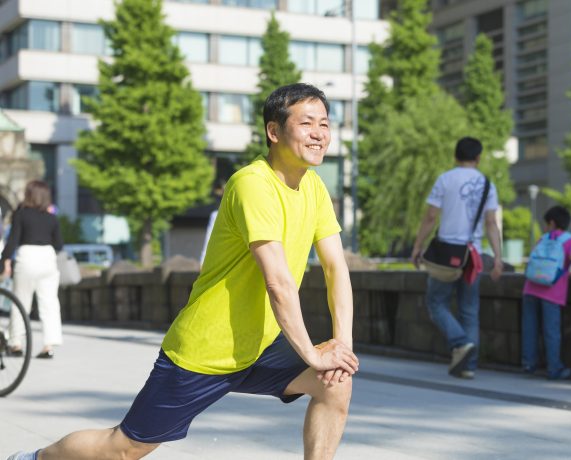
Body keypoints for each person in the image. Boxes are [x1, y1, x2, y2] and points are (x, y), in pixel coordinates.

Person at [8, 83, 358, 460]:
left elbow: (336, 268)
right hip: (207, 348)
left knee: (334, 383)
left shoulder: (315, 188)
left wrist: (341, 346)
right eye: (307, 123)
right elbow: (278, 282)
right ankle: (35, 458)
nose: (320, 133)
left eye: (324, 123)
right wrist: (312, 352)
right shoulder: (253, 184)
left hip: (260, 344)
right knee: (123, 448)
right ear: (274, 132)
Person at [411, 137, 503, 379]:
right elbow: (492, 223)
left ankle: (460, 342)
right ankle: (468, 366)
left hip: (446, 254)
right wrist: (499, 257)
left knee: (436, 303)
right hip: (473, 255)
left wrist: (418, 246)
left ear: (456, 156)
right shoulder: (486, 184)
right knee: (469, 310)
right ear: (478, 157)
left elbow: (431, 217)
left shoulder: (446, 179)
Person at [521, 205, 571, 380]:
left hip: (530, 286)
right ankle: (554, 368)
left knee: (530, 328)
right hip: (552, 291)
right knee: (551, 331)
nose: (544, 227)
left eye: (545, 224)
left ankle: (529, 364)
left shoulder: (542, 239)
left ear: (552, 222)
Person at [1, 180, 64, 360]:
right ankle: (49, 345)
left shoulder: (21, 215)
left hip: (26, 257)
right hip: (47, 258)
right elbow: (59, 244)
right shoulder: (52, 218)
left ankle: (16, 344)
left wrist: (3, 259)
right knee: (49, 303)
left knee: (20, 302)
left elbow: (12, 241)